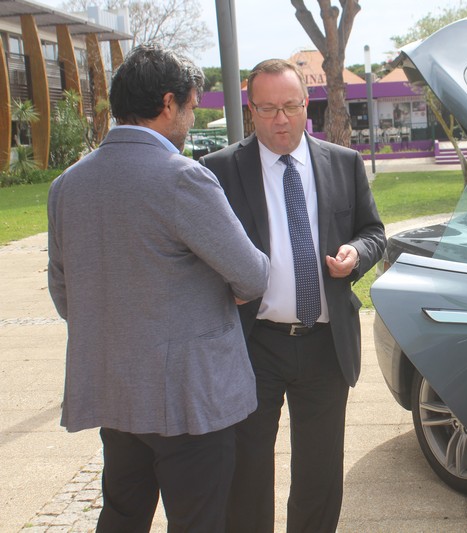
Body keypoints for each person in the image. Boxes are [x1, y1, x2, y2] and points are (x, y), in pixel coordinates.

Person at [47, 43, 270, 532]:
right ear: (169, 103)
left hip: (115, 391)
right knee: (198, 521)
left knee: (122, 516)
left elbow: (66, 295)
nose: (191, 118)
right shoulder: (182, 177)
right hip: (189, 400)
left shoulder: (68, 184)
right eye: (191, 106)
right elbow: (252, 275)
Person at [200, 58, 386, 533]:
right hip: (252, 343)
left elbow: (373, 232)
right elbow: (199, 252)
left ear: (307, 104)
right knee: (247, 472)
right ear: (251, 110)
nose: (280, 119)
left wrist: (356, 254)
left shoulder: (343, 163)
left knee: (320, 474)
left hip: (326, 343)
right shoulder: (218, 170)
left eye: (290, 106)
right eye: (267, 109)